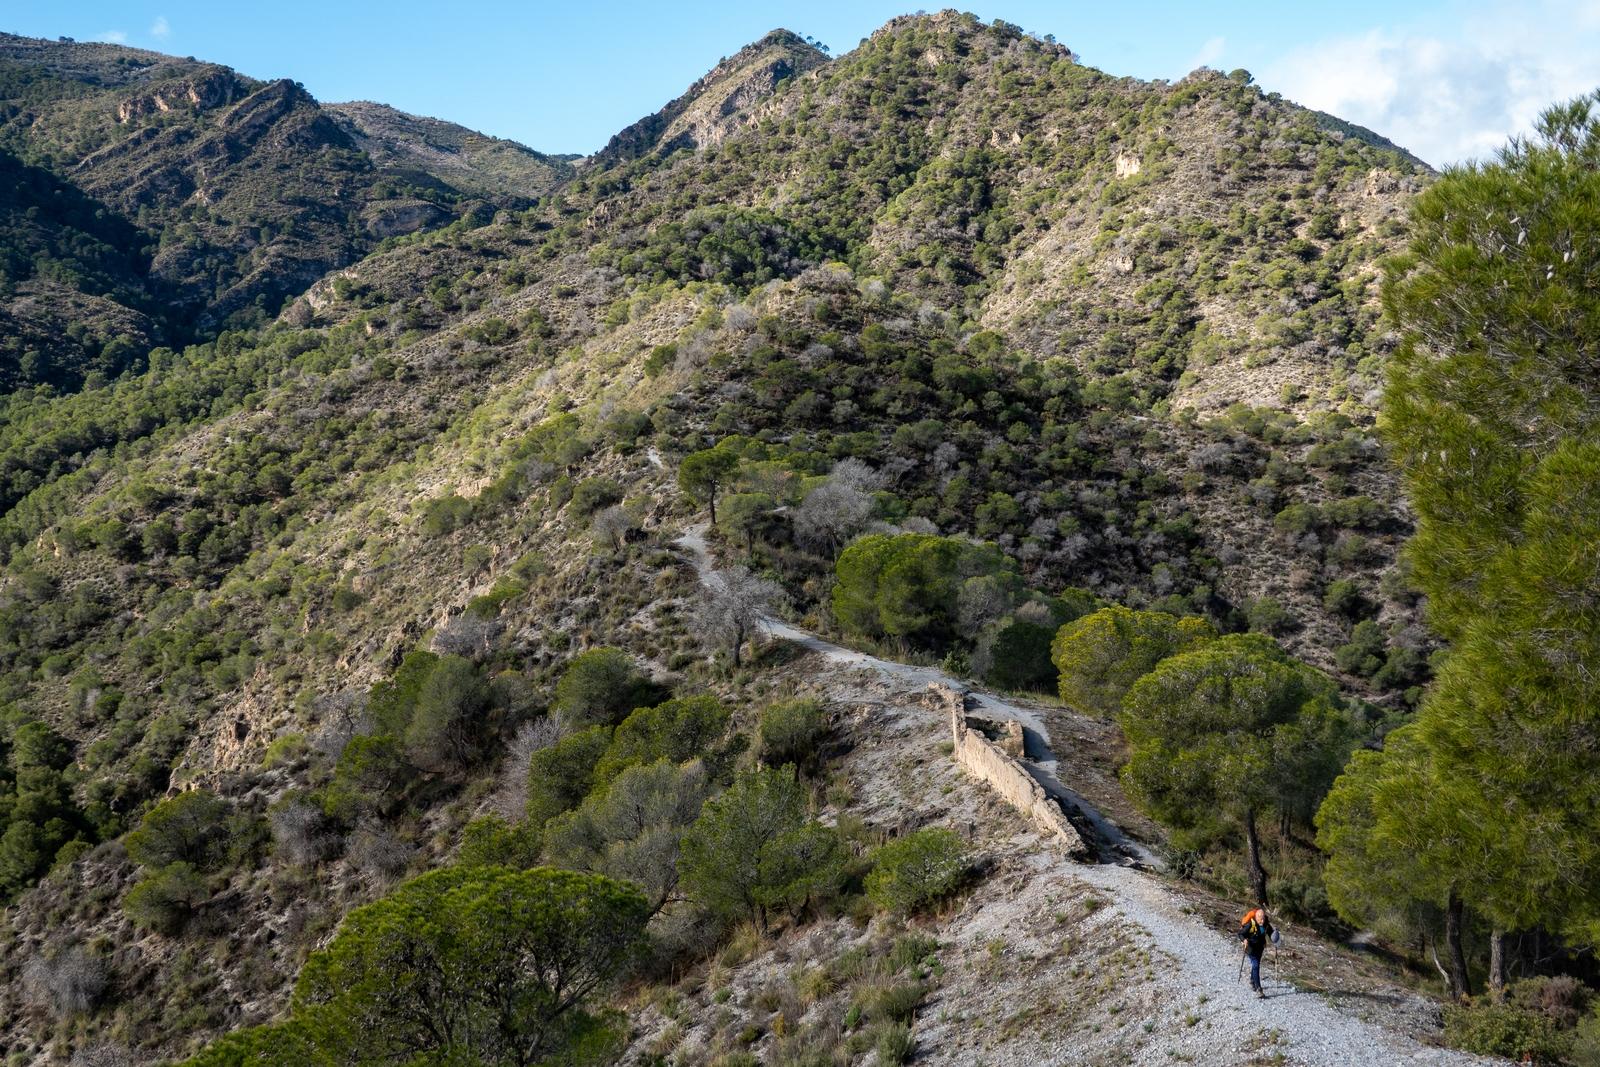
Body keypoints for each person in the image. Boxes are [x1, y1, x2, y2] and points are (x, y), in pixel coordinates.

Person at [1238, 904, 1276, 998]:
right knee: (1256, 965)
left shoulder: (1266, 923)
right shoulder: (1251, 924)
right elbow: (1240, 934)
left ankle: (1252, 980)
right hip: (1250, 948)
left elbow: (1271, 933)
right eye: (1260, 919)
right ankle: (1259, 989)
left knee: (1256, 965)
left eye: (1263, 918)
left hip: (1260, 948)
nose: (1262, 921)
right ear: (1256, 917)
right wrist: (1244, 940)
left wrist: (1276, 939)